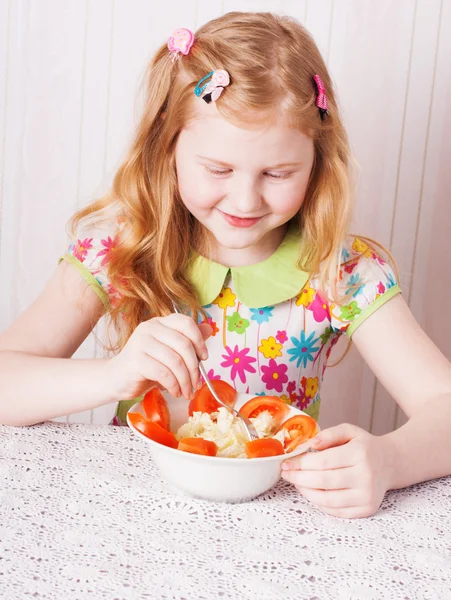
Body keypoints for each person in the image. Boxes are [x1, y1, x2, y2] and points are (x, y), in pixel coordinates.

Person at [1, 12, 450, 519]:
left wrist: (390, 460)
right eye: (218, 169)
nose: (245, 199)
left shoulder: (342, 272)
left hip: (275, 524)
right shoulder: (123, 246)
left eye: (278, 172)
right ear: (166, 150)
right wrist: (112, 376)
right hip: (133, 513)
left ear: (317, 163)